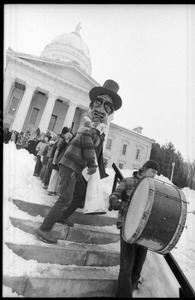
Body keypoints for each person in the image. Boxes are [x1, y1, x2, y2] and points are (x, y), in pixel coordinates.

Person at [36, 79, 122, 243]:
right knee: (65, 199)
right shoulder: (90, 124)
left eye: (108, 107)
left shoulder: (98, 127)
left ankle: (62, 217)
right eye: (100, 102)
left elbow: (94, 145)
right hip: (70, 165)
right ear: (93, 104)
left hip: (75, 167)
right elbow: (87, 142)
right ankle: (44, 229)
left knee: (80, 194)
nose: (103, 108)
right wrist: (92, 164)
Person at [108, 159, 160, 298]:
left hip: (144, 231)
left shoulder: (154, 188)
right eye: (153, 171)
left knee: (137, 270)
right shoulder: (128, 181)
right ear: (145, 168)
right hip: (127, 227)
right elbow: (114, 195)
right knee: (126, 268)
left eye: (156, 172)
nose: (155, 175)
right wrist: (115, 202)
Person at [47, 128, 73, 196]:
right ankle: (51, 190)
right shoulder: (61, 142)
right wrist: (54, 160)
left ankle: (54, 190)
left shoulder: (67, 143)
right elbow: (57, 151)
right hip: (58, 160)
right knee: (54, 175)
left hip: (61, 161)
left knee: (59, 176)